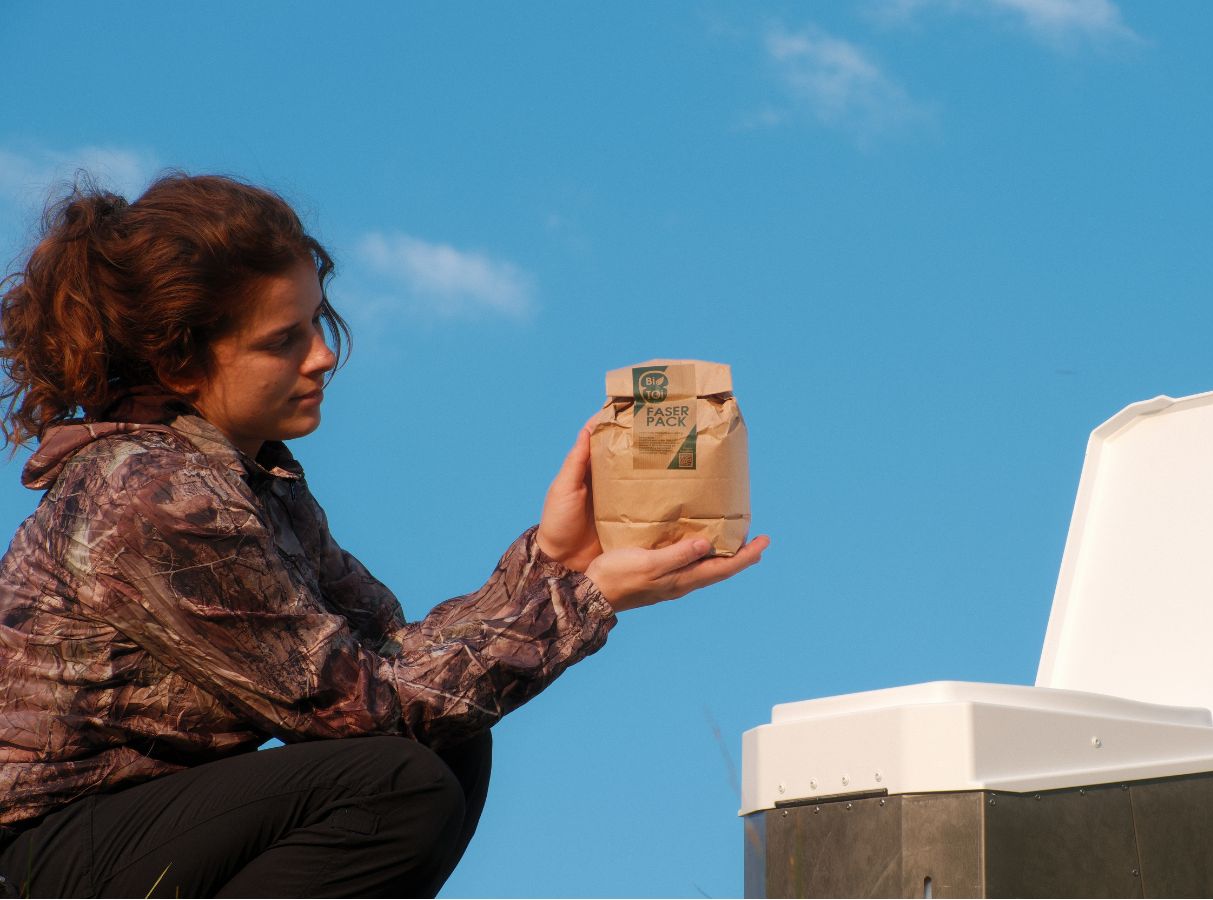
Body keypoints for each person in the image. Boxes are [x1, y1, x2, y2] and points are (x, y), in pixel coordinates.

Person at [0, 173, 769, 898]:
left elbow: (395, 659)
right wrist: (587, 599)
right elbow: (369, 710)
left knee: (449, 742)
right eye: (283, 341)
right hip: (39, 852)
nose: (324, 356)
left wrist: (556, 561)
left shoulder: (253, 477)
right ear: (179, 360)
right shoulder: (155, 495)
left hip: (129, 831)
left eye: (318, 324)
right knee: (398, 780)